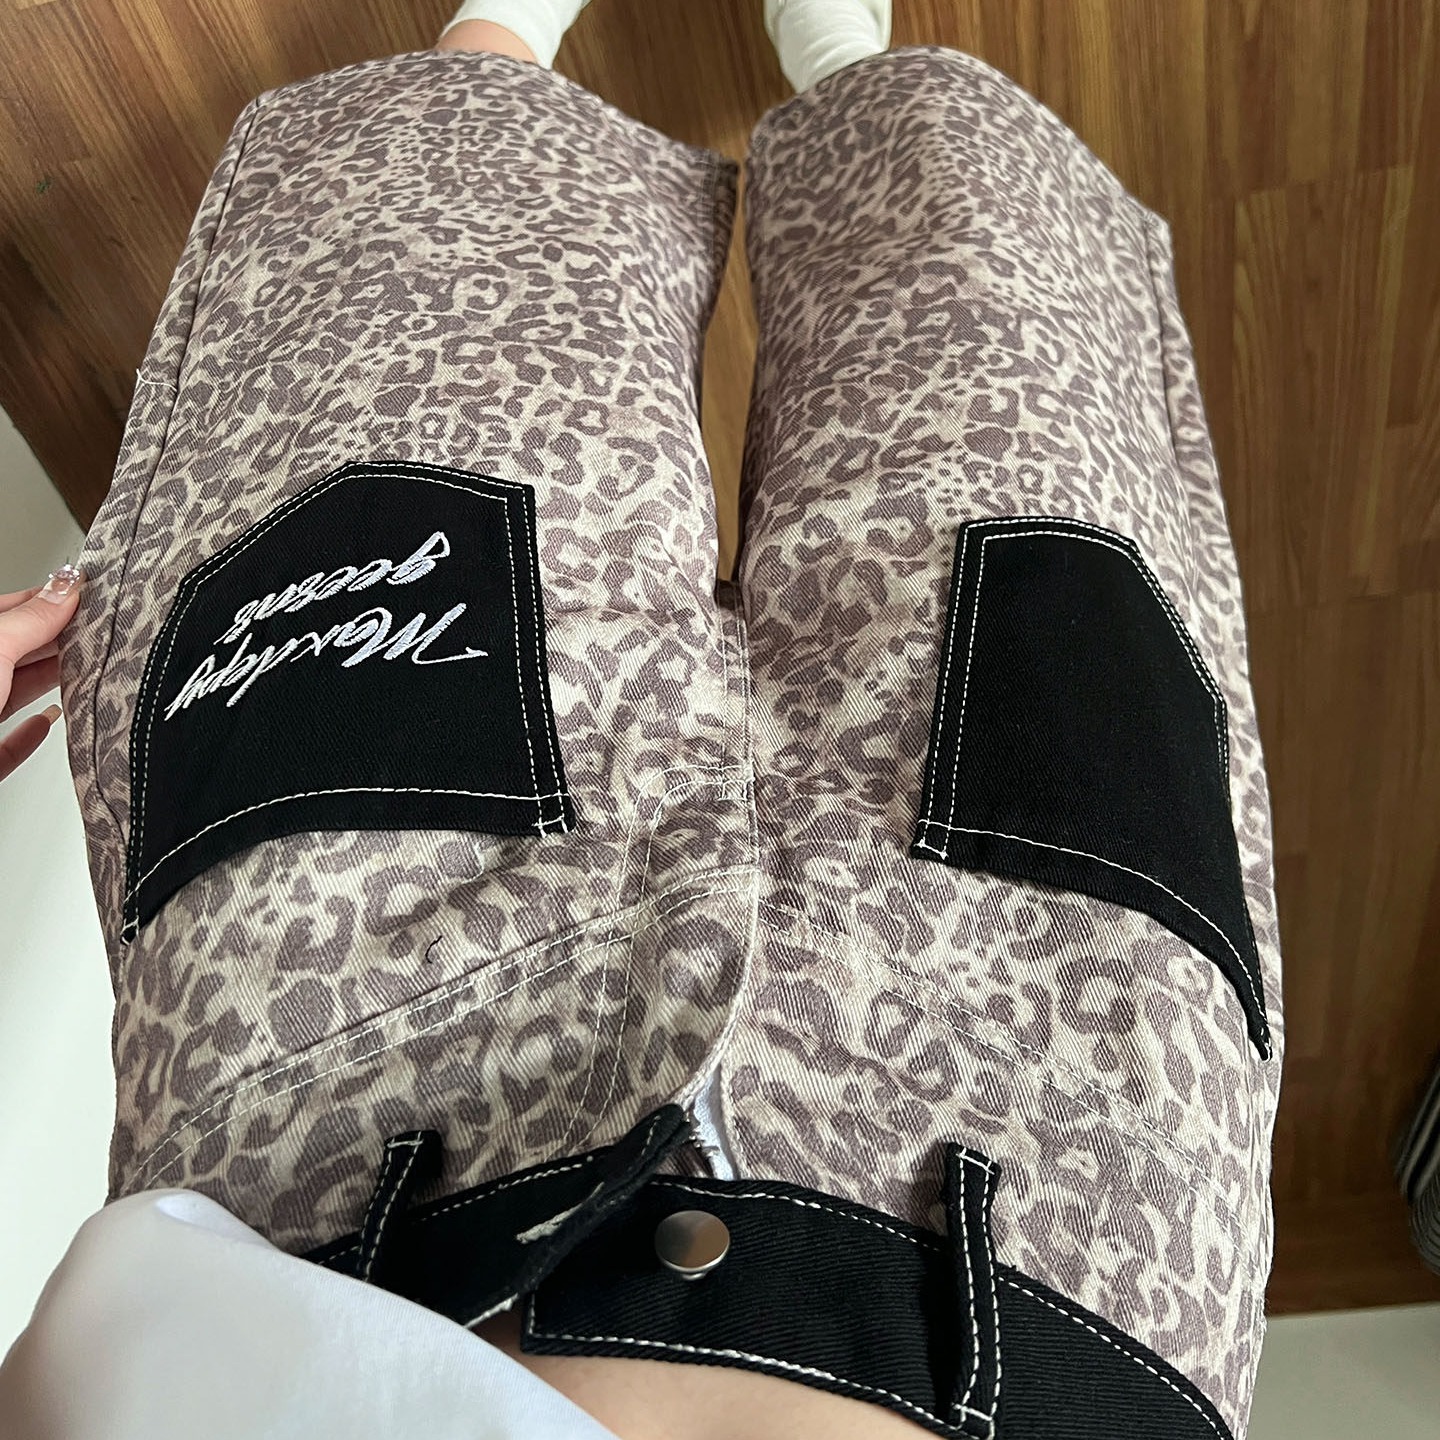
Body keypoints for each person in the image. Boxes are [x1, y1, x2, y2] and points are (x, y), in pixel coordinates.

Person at [0, 1, 1284, 1436]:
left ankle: (497, 32)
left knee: (403, 361)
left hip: (331, 1127)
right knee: (1008, 421)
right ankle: (855, 67)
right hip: (1071, 1184)